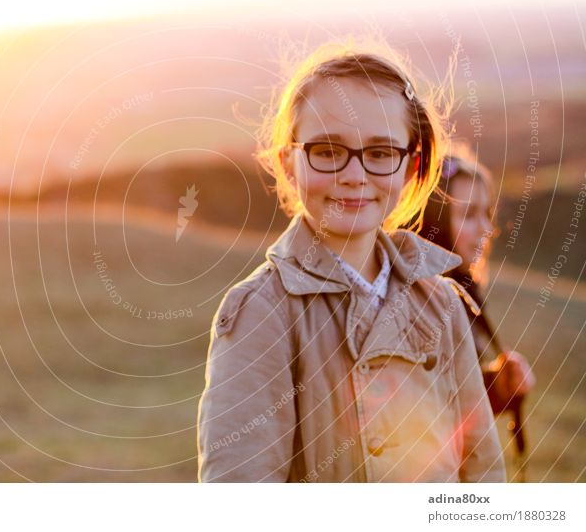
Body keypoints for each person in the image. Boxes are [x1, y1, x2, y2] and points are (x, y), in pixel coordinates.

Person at [196, 41, 506, 482]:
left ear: (411, 166)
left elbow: (483, 470)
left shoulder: (443, 303)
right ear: (289, 163)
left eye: (381, 153)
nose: (355, 176)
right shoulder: (260, 313)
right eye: (327, 150)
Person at [418, 149, 535, 478]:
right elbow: (423, 407)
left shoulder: (461, 287)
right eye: (468, 215)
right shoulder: (425, 298)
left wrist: (495, 385)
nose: (486, 228)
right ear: (433, 220)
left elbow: (450, 395)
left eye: (487, 213)